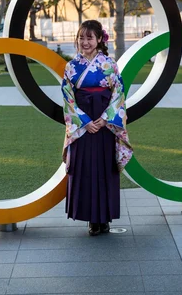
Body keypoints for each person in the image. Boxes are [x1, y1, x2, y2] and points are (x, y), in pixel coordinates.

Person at [61, 20, 133, 236]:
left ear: (100, 39)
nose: (85, 42)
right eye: (81, 38)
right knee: (85, 170)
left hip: (105, 124)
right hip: (83, 125)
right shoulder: (71, 67)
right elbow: (67, 97)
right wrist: (83, 121)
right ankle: (92, 220)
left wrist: (105, 119)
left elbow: (119, 93)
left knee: (105, 169)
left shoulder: (110, 65)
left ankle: (105, 218)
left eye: (89, 38)